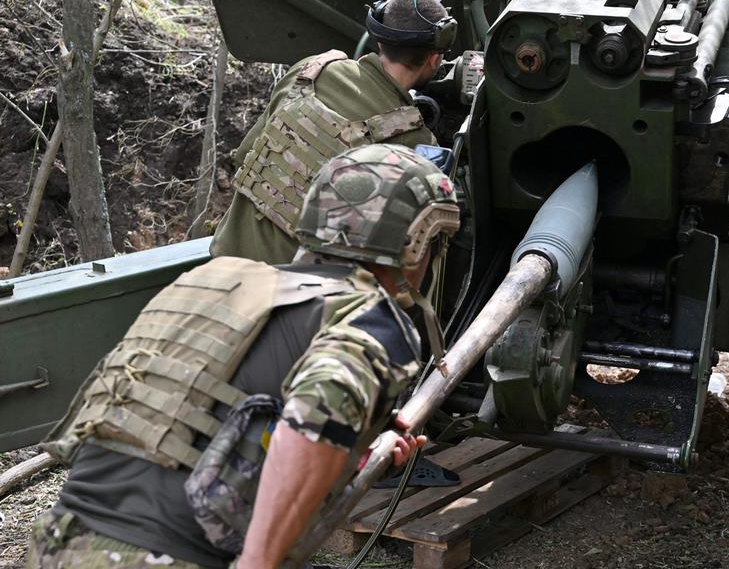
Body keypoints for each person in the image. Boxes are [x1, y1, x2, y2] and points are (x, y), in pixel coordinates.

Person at [26, 143, 461, 568]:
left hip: (60, 539)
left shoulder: (222, 283)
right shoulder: (369, 316)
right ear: (417, 243)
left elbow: (215, 420)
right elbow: (312, 422)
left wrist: (358, 451)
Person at [209, 0, 456, 264]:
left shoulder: (312, 71)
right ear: (435, 59)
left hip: (225, 263)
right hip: (295, 298)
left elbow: (245, 155)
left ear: (380, 40)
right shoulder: (412, 139)